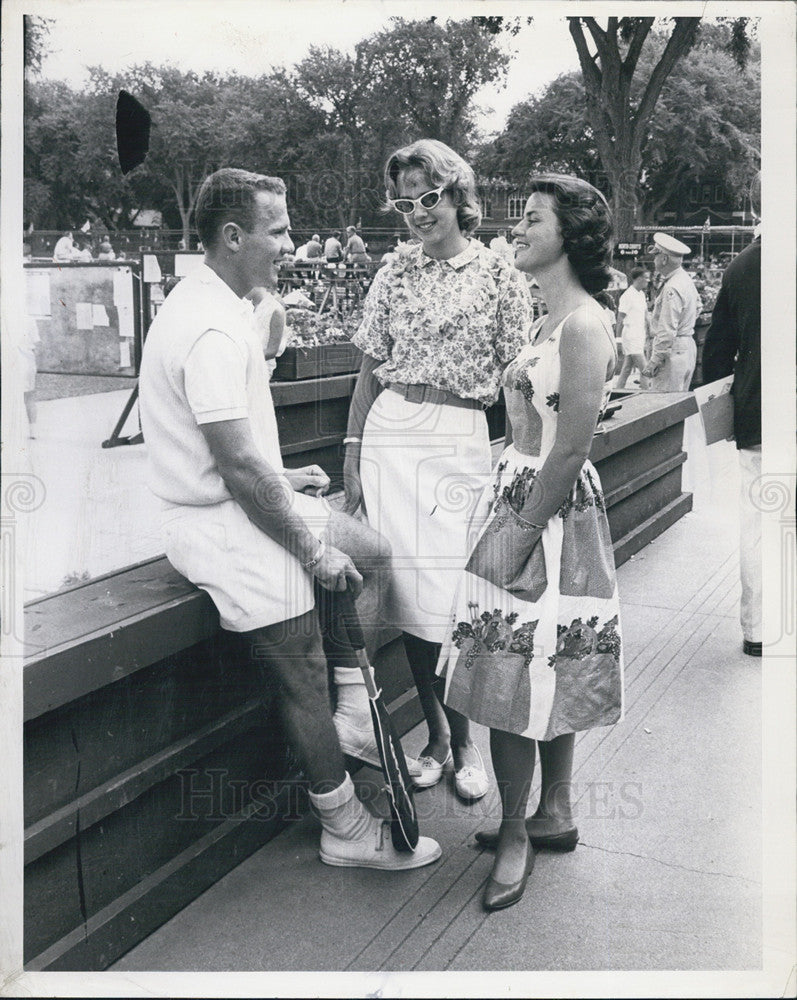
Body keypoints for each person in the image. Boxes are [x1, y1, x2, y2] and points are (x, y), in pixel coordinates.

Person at [138, 167, 441, 871]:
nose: (290, 243)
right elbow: (235, 468)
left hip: (243, 498)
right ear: (233, 235)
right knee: (300, 667)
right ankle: (342, 827)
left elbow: (240, 458)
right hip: (217, 524)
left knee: (368, 552)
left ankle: (353, 721)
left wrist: (281, 477)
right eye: (277, 231)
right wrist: (307, 547)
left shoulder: (221, 304)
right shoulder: (211, 327)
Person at [438, 174, 624, 911]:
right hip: (526, 500)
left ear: (568, 235)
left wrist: (513, 534)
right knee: (538, 661)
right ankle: (550, 812)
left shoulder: (580, 325)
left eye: (531, 220)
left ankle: (516, 831)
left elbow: (571, 448)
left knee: (513, 668)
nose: (515, 229)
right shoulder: (547, 319)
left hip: (544, 514)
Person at [345, 139, 533, 801]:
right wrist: (350, 457)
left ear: (458, 196)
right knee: (409, 601)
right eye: (407, 203)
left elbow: (519, 383)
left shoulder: (500, 276)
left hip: (459, 439)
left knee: (455, 601)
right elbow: (369, 370)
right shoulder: (392, 272)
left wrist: (516, 460)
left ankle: (467, 740)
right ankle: (433, 736)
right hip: (391, 435)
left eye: (430, 198)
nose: (419, 213)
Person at [701, 173, 762, 657]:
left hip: (759, 415)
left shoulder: (741, 268)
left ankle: (758, 627)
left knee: (759, 521)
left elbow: (717, 353)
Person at [641, 233, 701, 390]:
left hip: (671, 352)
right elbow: (698, 307)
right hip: (686, 346)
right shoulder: (685, 280)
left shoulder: (671, 287)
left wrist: (654, 361)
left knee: (661, 406)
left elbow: (667, 331)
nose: (654, 260)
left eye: (655, 255)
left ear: (664, 259)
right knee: (677, 405)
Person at [614, 266, 650, 388]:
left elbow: (645, 315)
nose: (648, 280)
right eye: (646, 278)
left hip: (640, 336)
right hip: (631, 337)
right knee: (645, 370)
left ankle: (618, 391)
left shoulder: (641, 295)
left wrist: (650, 330)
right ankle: (646, 396)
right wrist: (618, 340)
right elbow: (620, 319)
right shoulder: (627, 296)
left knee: (627, 368)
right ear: (639, 279)